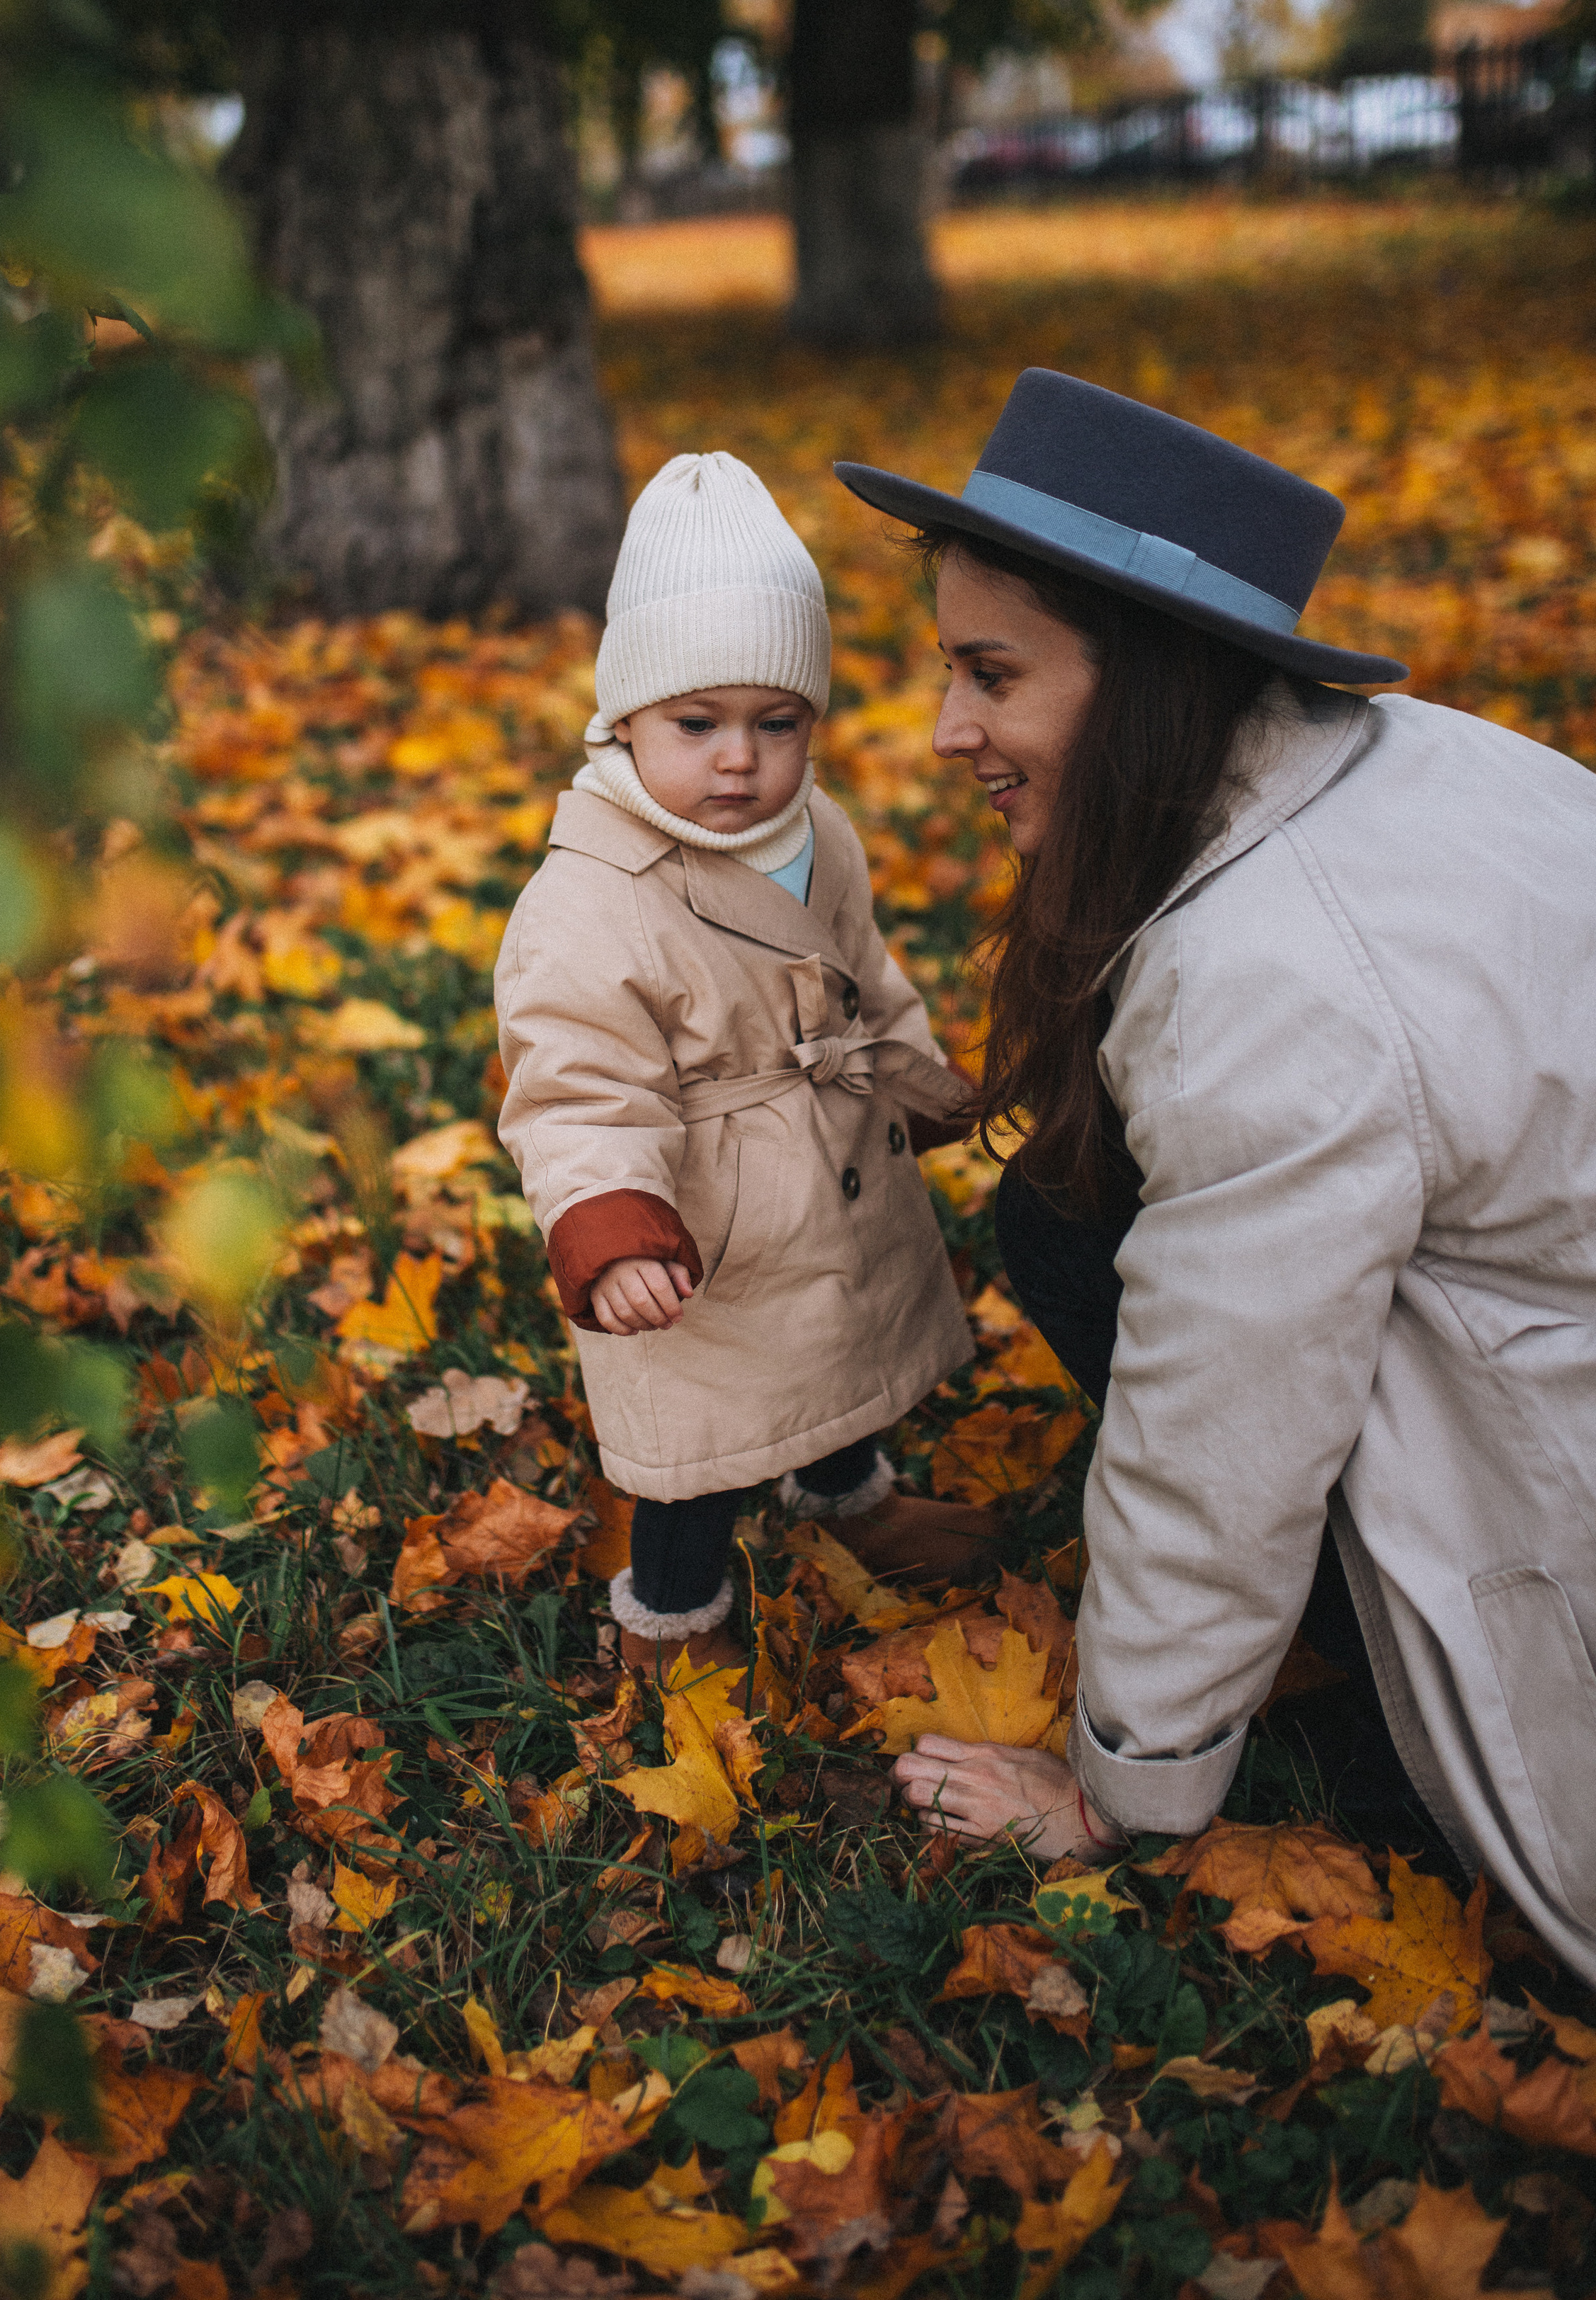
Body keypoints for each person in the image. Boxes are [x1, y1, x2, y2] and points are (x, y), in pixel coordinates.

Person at [834, 368, 1596, 1983]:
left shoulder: (1272, 982)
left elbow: (1222, 1420)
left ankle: (1365, 1726)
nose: (944, 732)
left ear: (1150, 682)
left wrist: (1121, 1787)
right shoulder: (1414, 759)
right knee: (1055, 1209)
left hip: (1554, 1473)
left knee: (1142, 1284)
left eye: (991, 675)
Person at [496, 450, 998, 1675]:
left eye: (777, 725)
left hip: (824, 1158)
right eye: (697, 724)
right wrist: (612, 1221)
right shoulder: (590, 899)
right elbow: (577, 1085)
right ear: (622, 719)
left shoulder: (817, 829)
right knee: (707, 1433)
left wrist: (912, 1074)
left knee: (839, 1343)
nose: (739, 760)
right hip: (700, 1223)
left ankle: (847, 1495)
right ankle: (671, 1611)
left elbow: (862, 974)